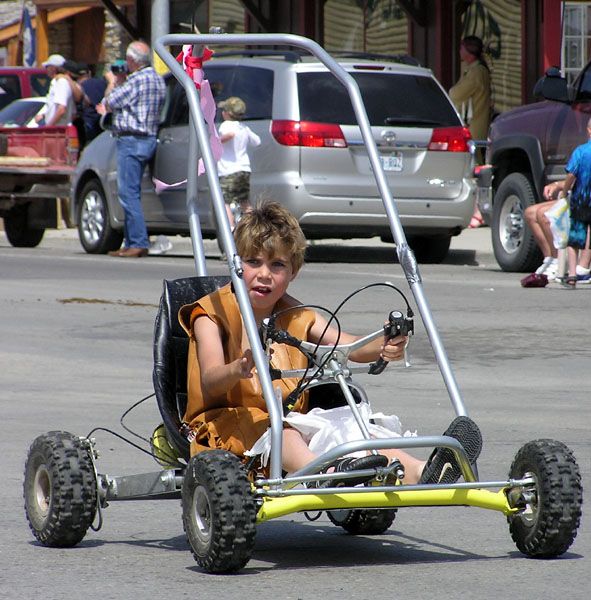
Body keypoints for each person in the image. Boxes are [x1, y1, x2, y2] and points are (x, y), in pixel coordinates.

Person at [178, 201, 482, 485]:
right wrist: (239, 368)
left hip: (290, 422)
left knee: (346, 424)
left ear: (293, 272)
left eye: (277, 265)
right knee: (278, 429)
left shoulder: (298, 316)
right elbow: (211, 378)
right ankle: (327, 473)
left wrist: (383, 344)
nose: (264, 275)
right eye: (253, 262)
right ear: (236, 264)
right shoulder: (211, 314)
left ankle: (420, 471)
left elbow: (347, 347)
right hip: (221, 426)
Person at [96, 41, 166, 258]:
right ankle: (131, 241)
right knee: (133, 192)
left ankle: (137, 242)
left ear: (132, 61)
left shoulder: (135, 80)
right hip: (149, 138)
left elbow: (110, 102)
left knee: (128, 193)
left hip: (131, 140)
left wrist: (113, 82)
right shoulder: (157, 79)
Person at [449, 36, 492, 228]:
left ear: (468, 51)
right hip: (476, 123)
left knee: (474, 169)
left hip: (475, 124)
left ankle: (479, 211)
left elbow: (456, 94)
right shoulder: (475, 70)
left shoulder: (476, 72)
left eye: (461, 48)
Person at [544, 123, 591, 287]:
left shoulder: (581, 151)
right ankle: (584, 269)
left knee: (575, 238)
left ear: (588, 130)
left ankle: (571, 275)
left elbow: (571, 174)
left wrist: (564, 190)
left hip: (581, 200)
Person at [216, 96, 261, 228]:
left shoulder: (225, 126)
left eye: (223, 110)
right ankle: (255, 227)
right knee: (244, 201)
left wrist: (218, 140)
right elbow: (257, 142)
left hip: (227, 171)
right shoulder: (244, 128)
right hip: (244, 170)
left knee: (224, 202)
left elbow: (228, 134)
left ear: (228, 114)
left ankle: (230, 230)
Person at [35, 54, 76, 127]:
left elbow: (61, 109)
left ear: (53, 68)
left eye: (47, 67)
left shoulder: (61, 82)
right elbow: (73, 113)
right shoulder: (57, 82)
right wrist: (44, 115)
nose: (46, 69)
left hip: (58, 130)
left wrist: (49, 127)